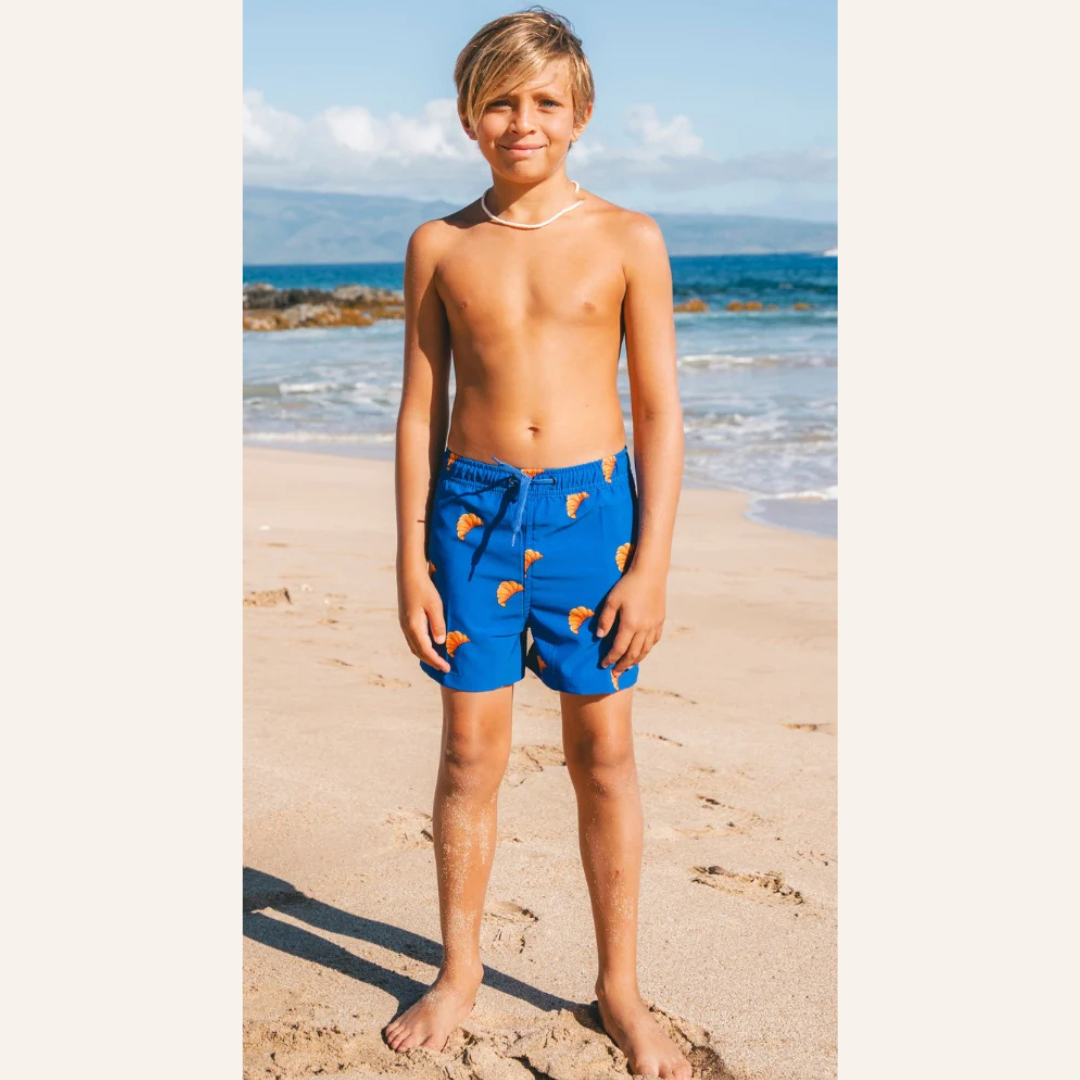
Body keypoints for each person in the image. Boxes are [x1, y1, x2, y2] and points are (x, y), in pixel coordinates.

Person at [389, 9, 688, 1078]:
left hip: (591, 520)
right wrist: (410, 560)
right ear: (468, 115)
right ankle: (459, 970)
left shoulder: (628, 238)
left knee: (602, 756)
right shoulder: (439, 245)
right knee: (470, 753)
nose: (524, 122)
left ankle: (620, 988)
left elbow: (659, 412)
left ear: (581, 113)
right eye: (500, 102)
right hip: (469, 518)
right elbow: (420, 413)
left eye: (545, 102)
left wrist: (650, 565)